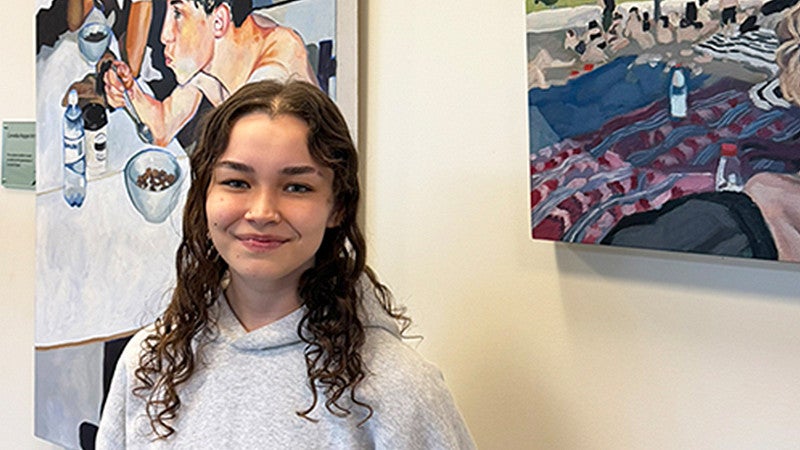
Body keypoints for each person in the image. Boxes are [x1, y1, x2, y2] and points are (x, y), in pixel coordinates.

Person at [95, 80, 476, 448]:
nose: (261, 212)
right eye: (236, 182)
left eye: (297, 187)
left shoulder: (398, 388)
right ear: (204, 195)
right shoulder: (151, 360)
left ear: (337, 206)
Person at [104, 0, 319, 146]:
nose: (165, 35)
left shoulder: (271, 77)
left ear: (219, 21)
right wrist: (130, 92)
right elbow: (162, 129)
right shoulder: (211, 58)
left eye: (178, 14)